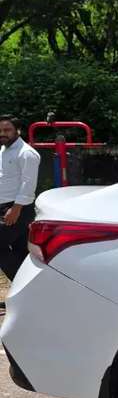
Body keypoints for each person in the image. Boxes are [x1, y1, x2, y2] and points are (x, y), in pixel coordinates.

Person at [0, 115, 41, 286]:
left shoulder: (26, 153)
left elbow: (28, 184)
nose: (3, 133)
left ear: (18, 130)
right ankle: (31, 289)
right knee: (20, 251)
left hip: (17, 209)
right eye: (0, 130)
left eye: (7, 130)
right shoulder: (4, 150)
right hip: (5, 207)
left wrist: (15, 209)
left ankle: (23, 285)